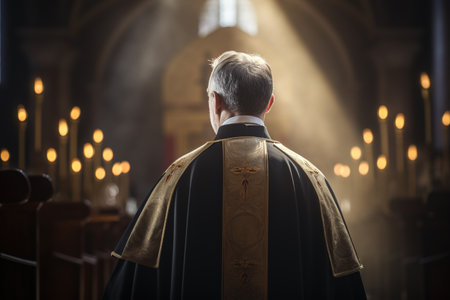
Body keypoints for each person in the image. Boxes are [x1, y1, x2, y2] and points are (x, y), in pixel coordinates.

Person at [103, 51, 366, 299]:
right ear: (269, 103)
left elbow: (133, 283)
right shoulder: (310, 178)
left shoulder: (177, 178)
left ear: (215, 101)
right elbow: (342, 282)